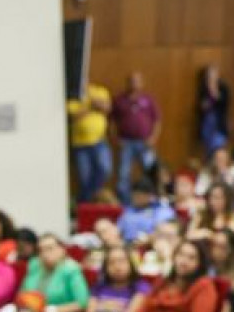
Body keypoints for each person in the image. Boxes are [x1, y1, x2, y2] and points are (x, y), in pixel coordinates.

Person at [111, 71, 160, 205]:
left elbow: (157, 120)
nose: (135, 84)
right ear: (127, 83)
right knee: (123, 174)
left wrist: (153, 138)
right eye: (132, 81)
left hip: (145, 143)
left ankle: (152, 200)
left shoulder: (148, 99)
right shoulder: (120, 100)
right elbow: (112, 121)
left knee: (151, 171)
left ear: (142, 83)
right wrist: (115, 139)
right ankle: (126, 203)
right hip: (126, 142)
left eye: (137, 81)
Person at [21, 233, 89, 312]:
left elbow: (82, 303)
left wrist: (51, 310)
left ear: (62, 250)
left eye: (49, 249)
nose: (45, 254)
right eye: (41, 250)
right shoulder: (34, 266)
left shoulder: (71, 269)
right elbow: (23, 295)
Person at [68, 78, 114, 202]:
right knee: (85, 178)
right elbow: (75, 115)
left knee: (105, 169)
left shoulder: (100, 91)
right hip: (80, 144)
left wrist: (89, 106)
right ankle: (86, 204)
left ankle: (84, 201)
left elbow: (107, 108)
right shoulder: (74, 95)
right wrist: (93, 105)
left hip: (99, 141)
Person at [119, 180, 176, 244]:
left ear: (150, 196)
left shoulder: (161, 210)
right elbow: (119, 230)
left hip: (151, 245)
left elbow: (167, 231)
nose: (136, 198)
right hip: (127, 245)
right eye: (134, 195)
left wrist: (148, 238)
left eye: (139, 196)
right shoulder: (129, 210)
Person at [196, 64, 231, 153]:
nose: (211, 77)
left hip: (219, 124)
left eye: (214, 75)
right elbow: (202, 106)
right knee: (208, 151)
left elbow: (224, 103)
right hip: (207, 124)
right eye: (209, 75)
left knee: (218, 148)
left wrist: (213, 91)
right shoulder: (203, 89)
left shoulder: (223, 88)